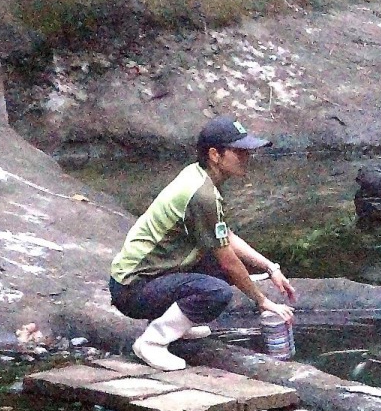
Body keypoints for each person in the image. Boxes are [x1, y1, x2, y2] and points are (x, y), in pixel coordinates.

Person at [108, 116, 297, 371]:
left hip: (150, 277)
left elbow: (224, 235)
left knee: (225, 269)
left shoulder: (198, 176)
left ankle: (178, 323)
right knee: (217, 291)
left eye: (247, 151)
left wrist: (269, 268)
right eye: (238, 152)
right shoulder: (202, 195)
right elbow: (228, 260)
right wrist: (262, 301)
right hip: (132, 289)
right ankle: (152, 342)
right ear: (214, 155)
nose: (246, 157)